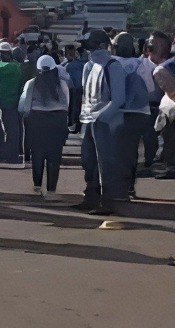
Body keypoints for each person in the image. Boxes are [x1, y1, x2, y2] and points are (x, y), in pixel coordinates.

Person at [78, 29, 128, 215]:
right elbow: (85, 95)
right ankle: (90, 197)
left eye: (90, 45)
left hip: (106, 122)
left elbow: (118, 98)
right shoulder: (89, 66)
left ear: (100, 45)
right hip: (89, 120)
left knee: (105, 163)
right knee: (88, 161)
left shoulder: (112, 66)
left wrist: (102, 117)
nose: (86, 49)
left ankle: (107, 201)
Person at [19, 55, 70, 199]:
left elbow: (24, 105)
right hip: (57, 120)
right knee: (55, 156)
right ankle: (52, 190)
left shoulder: (32, 83)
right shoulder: (62, 84)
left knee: (38, 154)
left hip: (37, 120)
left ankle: (37, 186)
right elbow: (67, 104)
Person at [112, 32, 154, 195]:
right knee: (133, 150)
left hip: (116, 113)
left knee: (115, 149)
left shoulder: (109, 63)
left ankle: (116, 184)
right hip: (139, 113)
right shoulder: (144, 65)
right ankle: (130, 184)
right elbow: (150, 89)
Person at [139, 31, 171, 175]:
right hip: (143, 107)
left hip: (161, 108)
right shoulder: (140, 64)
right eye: (152, 44)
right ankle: (145, 163)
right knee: (146, 137)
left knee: (156, 138)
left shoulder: (169, 67)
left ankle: (153, 162)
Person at [65, 45, 87, 134]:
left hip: (71, 88)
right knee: (77, 107)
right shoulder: (83, 65)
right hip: (78, 88)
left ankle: (72, 123)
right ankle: (76, 123)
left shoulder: (69, 65)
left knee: (72, 106)